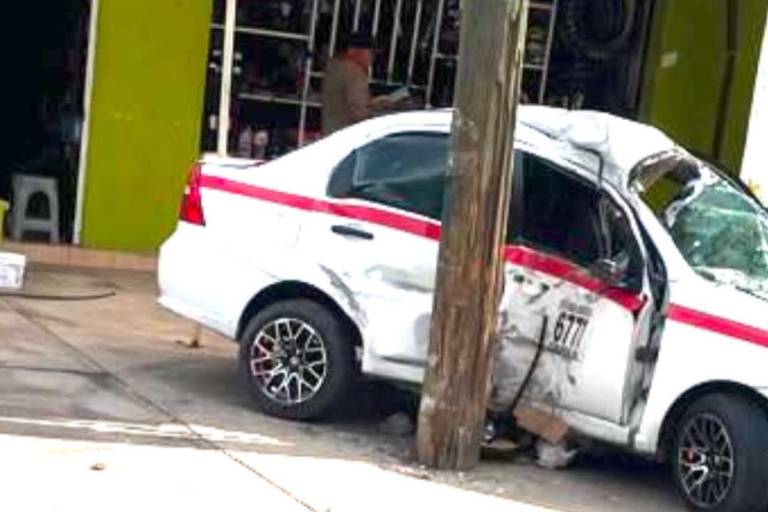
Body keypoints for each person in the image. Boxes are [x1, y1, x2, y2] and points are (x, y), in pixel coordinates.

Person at [321, 32, 406, 135]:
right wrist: (382, 107)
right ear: (356, 51)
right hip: (349, 133)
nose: (372, 59)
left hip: (332, 129)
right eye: (371, 53)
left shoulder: (334, 66)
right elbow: (359, 111)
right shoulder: (354, 71)